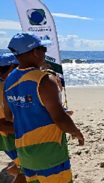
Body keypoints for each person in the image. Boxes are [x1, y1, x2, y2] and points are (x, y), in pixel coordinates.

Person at [4, 32, 84, 182]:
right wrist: (76, 132)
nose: (44, 53)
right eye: (43, 49)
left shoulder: (9, 80)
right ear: (35, 52)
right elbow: (60, 118)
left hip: (24, 151)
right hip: (49, 153)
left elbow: (10, 116)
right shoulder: (44, 80)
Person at [0, 53, 26, 183]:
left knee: (23, 171)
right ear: (11, 68)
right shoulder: (4, 88)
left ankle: (14, 168)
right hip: (12, 139)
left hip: (10, 139)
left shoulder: (8, 86)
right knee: (24, 174)